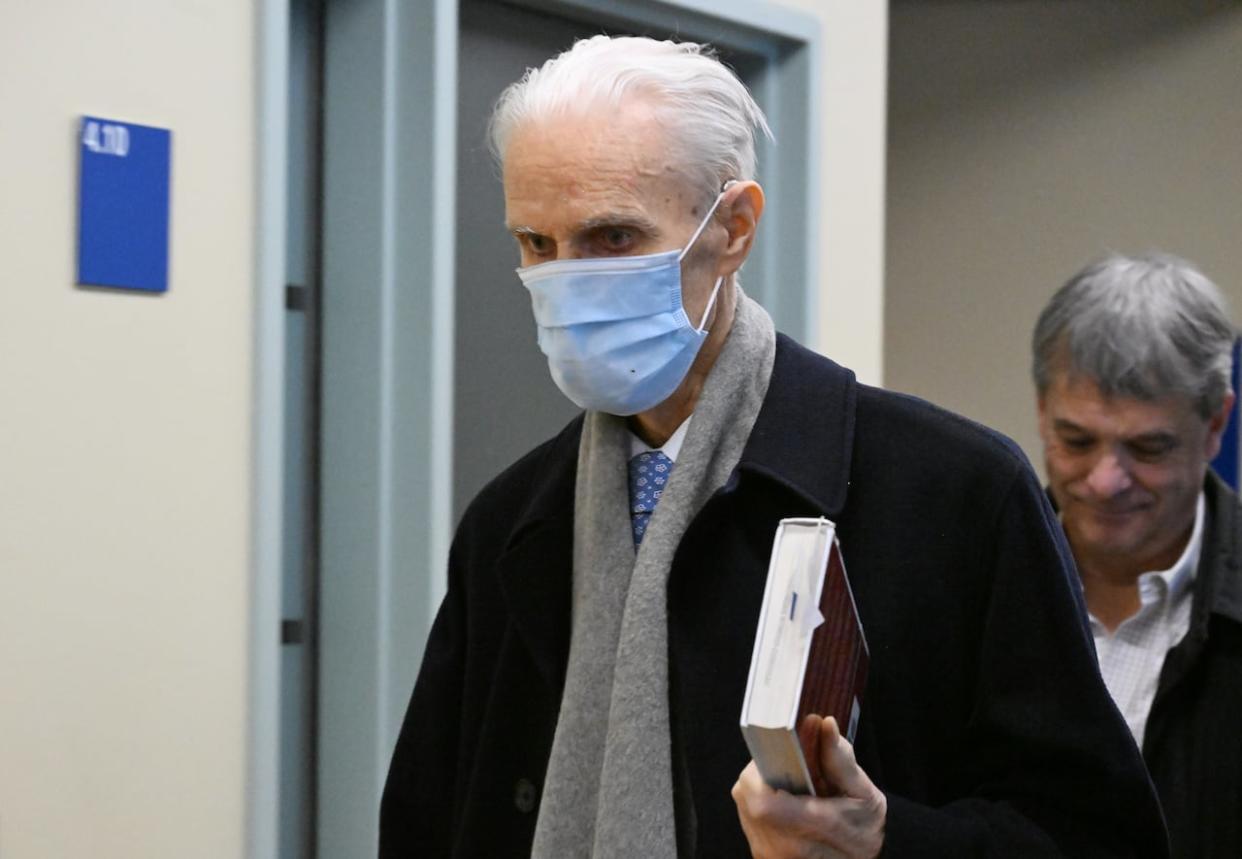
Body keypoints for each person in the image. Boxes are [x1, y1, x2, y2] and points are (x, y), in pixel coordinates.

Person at [380, 36, 1166, 858]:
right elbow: (425, 823)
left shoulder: (952, 494)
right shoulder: (513, 523)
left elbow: (1099, 836)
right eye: (537, 244)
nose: (567, 280)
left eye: (611, 237)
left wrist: (884, 838)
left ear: (733, 228)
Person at [1032, 253, 1241, 859]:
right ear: (1043, 412)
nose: (1105, 480)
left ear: (1216, 425)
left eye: (1148, 447)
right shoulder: (967, 585)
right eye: (1077, 441)